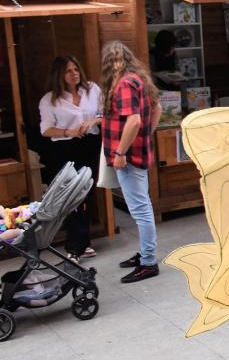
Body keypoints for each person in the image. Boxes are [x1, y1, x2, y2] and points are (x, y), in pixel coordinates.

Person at [101, 41, 161, 283]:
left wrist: (120, 152)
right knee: (141, 206)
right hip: (137, 152)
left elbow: (134, 121)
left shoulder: (124, 83)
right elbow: (156, 108)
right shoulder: (138, 78)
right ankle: (146, 254)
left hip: (129, 157)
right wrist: (145, 136)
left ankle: (148, 262)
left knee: (140, 209)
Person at [38, 56, 102, 261]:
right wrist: (69, 132)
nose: (74, 74)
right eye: (68, 71)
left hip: (91, 144)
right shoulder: (50, 99)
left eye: (76, 69)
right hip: (66, 148)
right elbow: (46, 130)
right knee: (72, 195)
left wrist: (92, 120)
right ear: (59, 75)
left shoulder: (92, 89)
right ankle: (75, 246)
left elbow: (105, 113)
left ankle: (82, 243)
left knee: (86, 193)